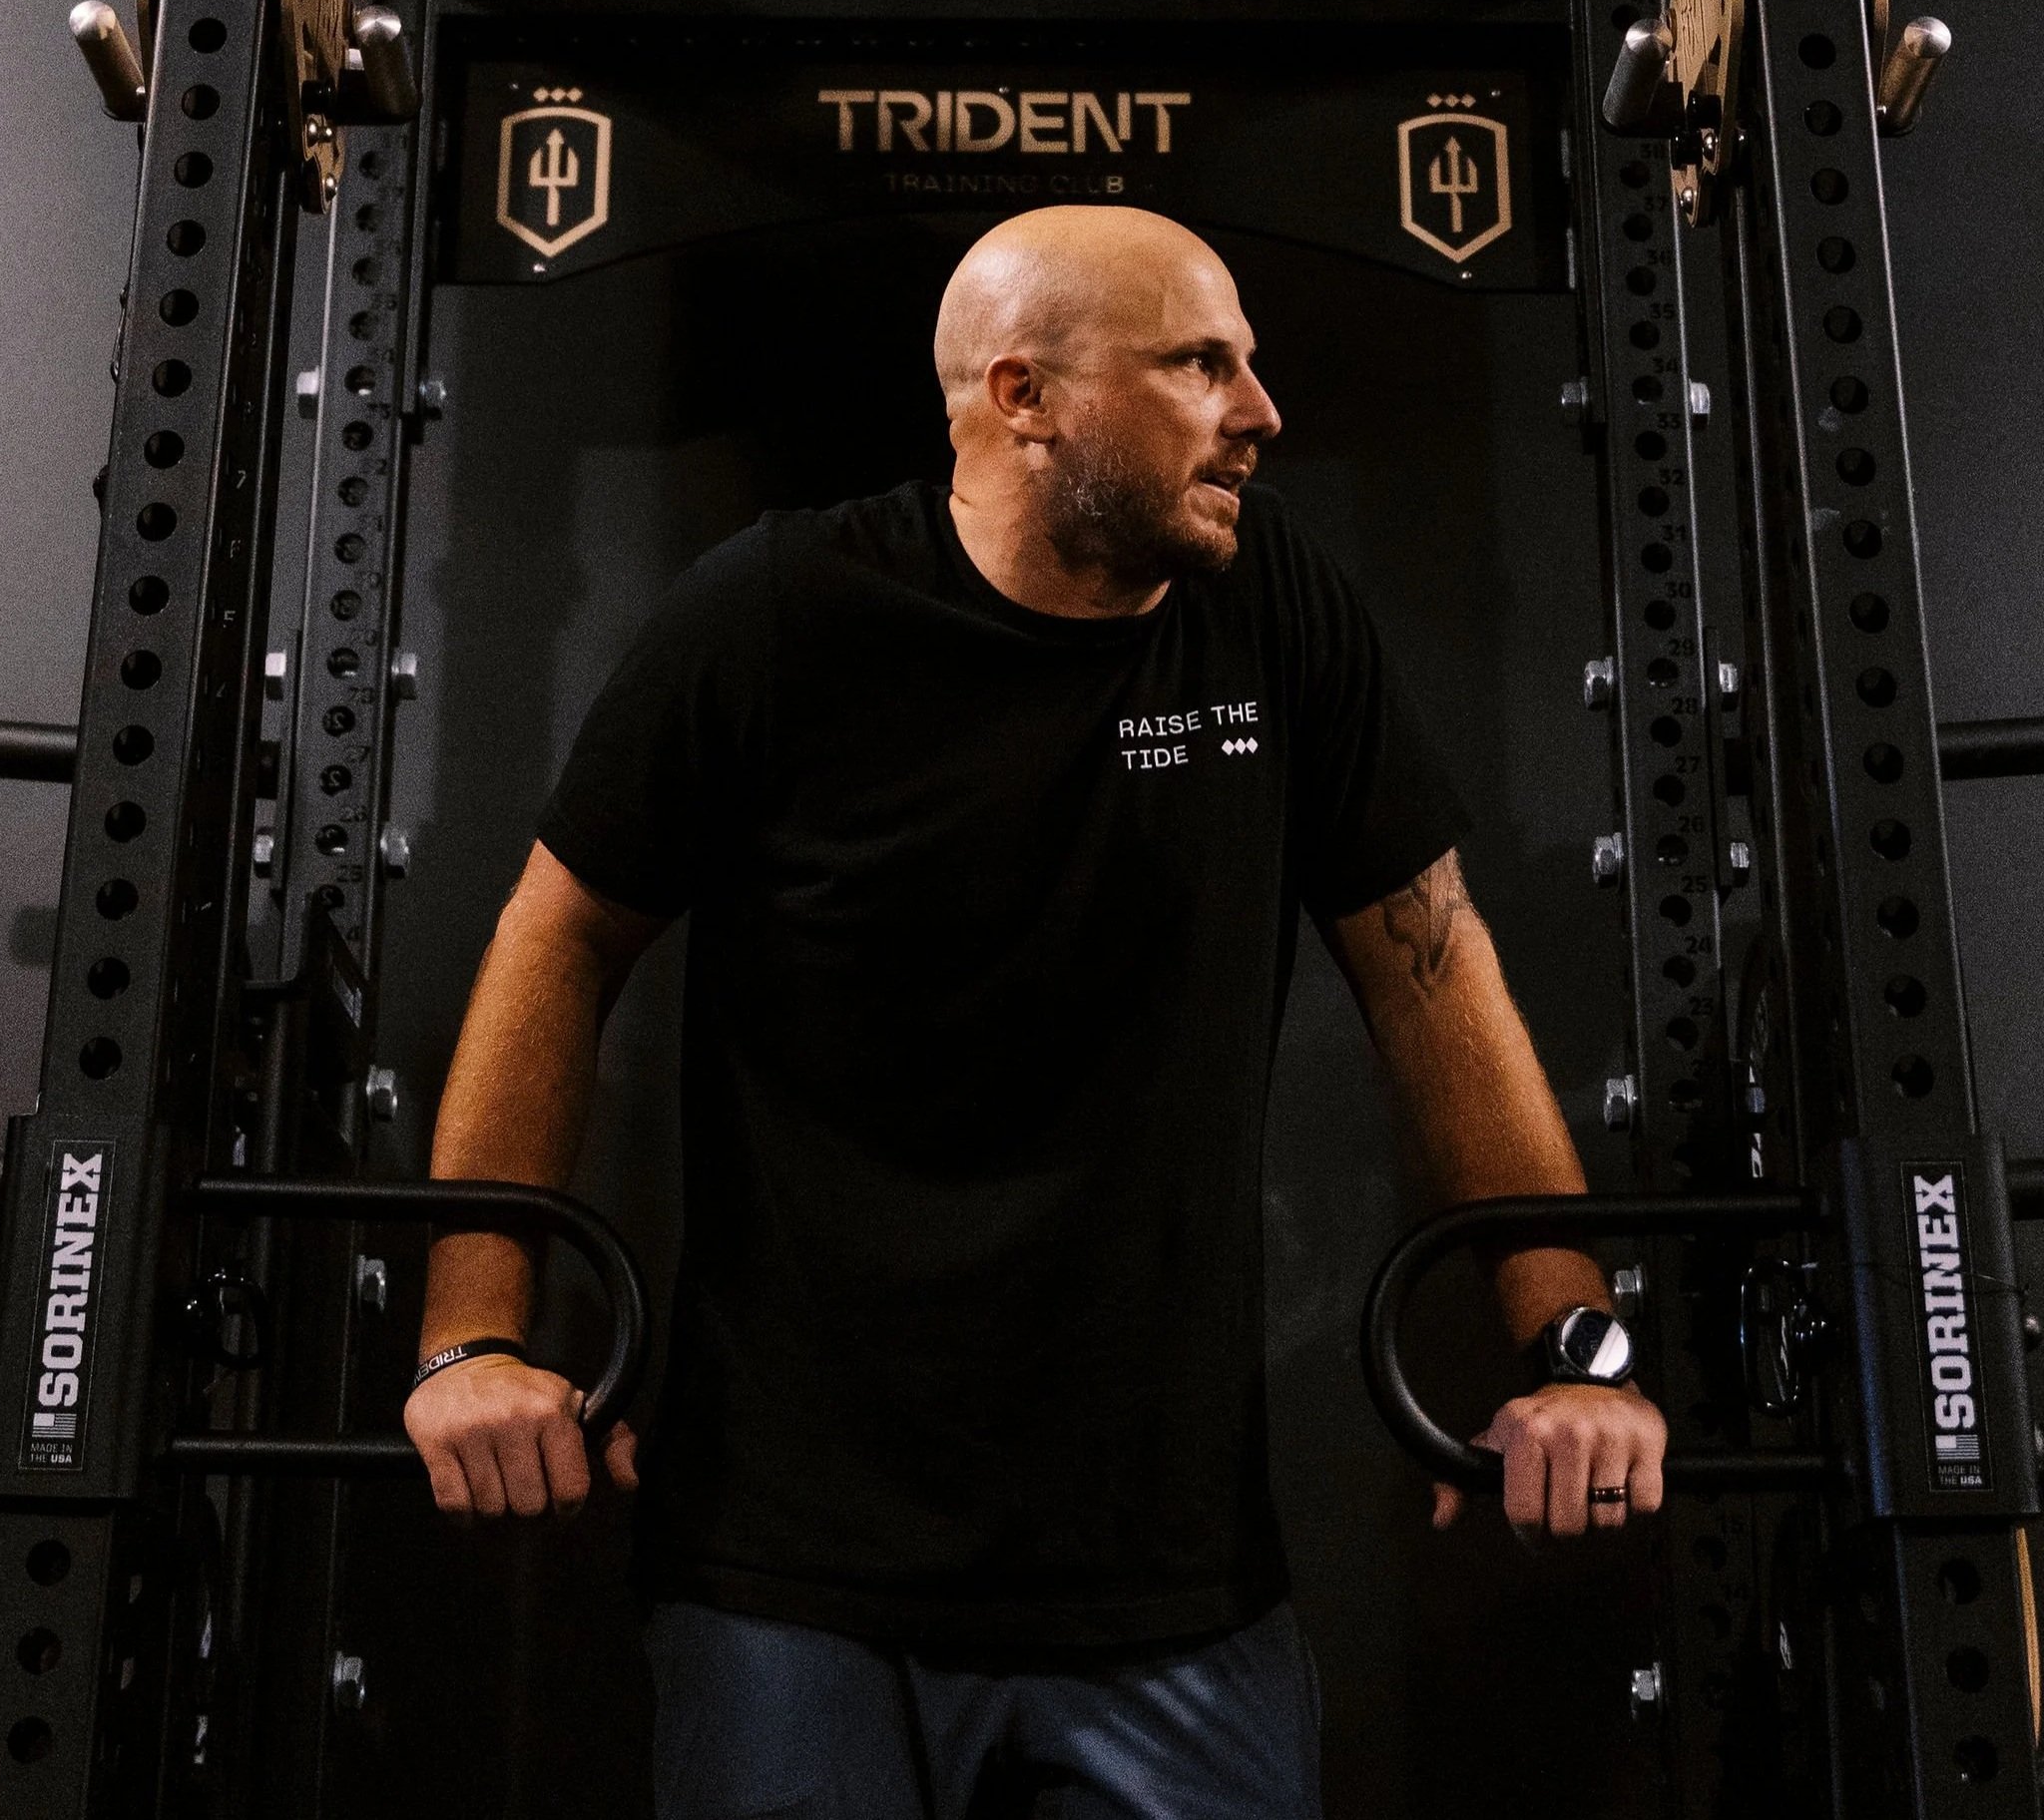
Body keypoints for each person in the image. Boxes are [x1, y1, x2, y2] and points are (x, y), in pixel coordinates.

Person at [405, 205, 1667, 1820]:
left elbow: (1436, 971)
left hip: (1172, 1586)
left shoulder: (1274, 609)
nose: (1260, 412)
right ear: (1025, 396)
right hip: (793, 1579)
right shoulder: (777, 616)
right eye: (1203, 365)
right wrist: (474, 1332)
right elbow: (556, 938)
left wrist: (1577, 1342)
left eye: (1250, 364)